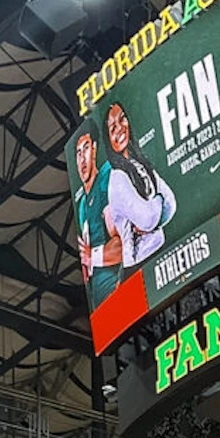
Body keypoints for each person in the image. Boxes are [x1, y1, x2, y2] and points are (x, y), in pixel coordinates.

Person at [103, 101, 177, 272]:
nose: (120, 128)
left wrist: (152, 215)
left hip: (160, 249)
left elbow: (171, 204)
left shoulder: (139, 162)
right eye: (112, 128)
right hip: (138, 266)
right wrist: (158, 201)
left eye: (122, 119)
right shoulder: (117, 178)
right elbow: (148, 219)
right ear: (108, 140)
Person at [73, 120, 122, 309]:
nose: (82, 158)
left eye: (86, 149)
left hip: (118, 294)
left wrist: (91, 256)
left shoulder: (105, 180)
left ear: (94, 149)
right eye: (78, 153)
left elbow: (122, 245)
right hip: (99, 307)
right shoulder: (82, 205)